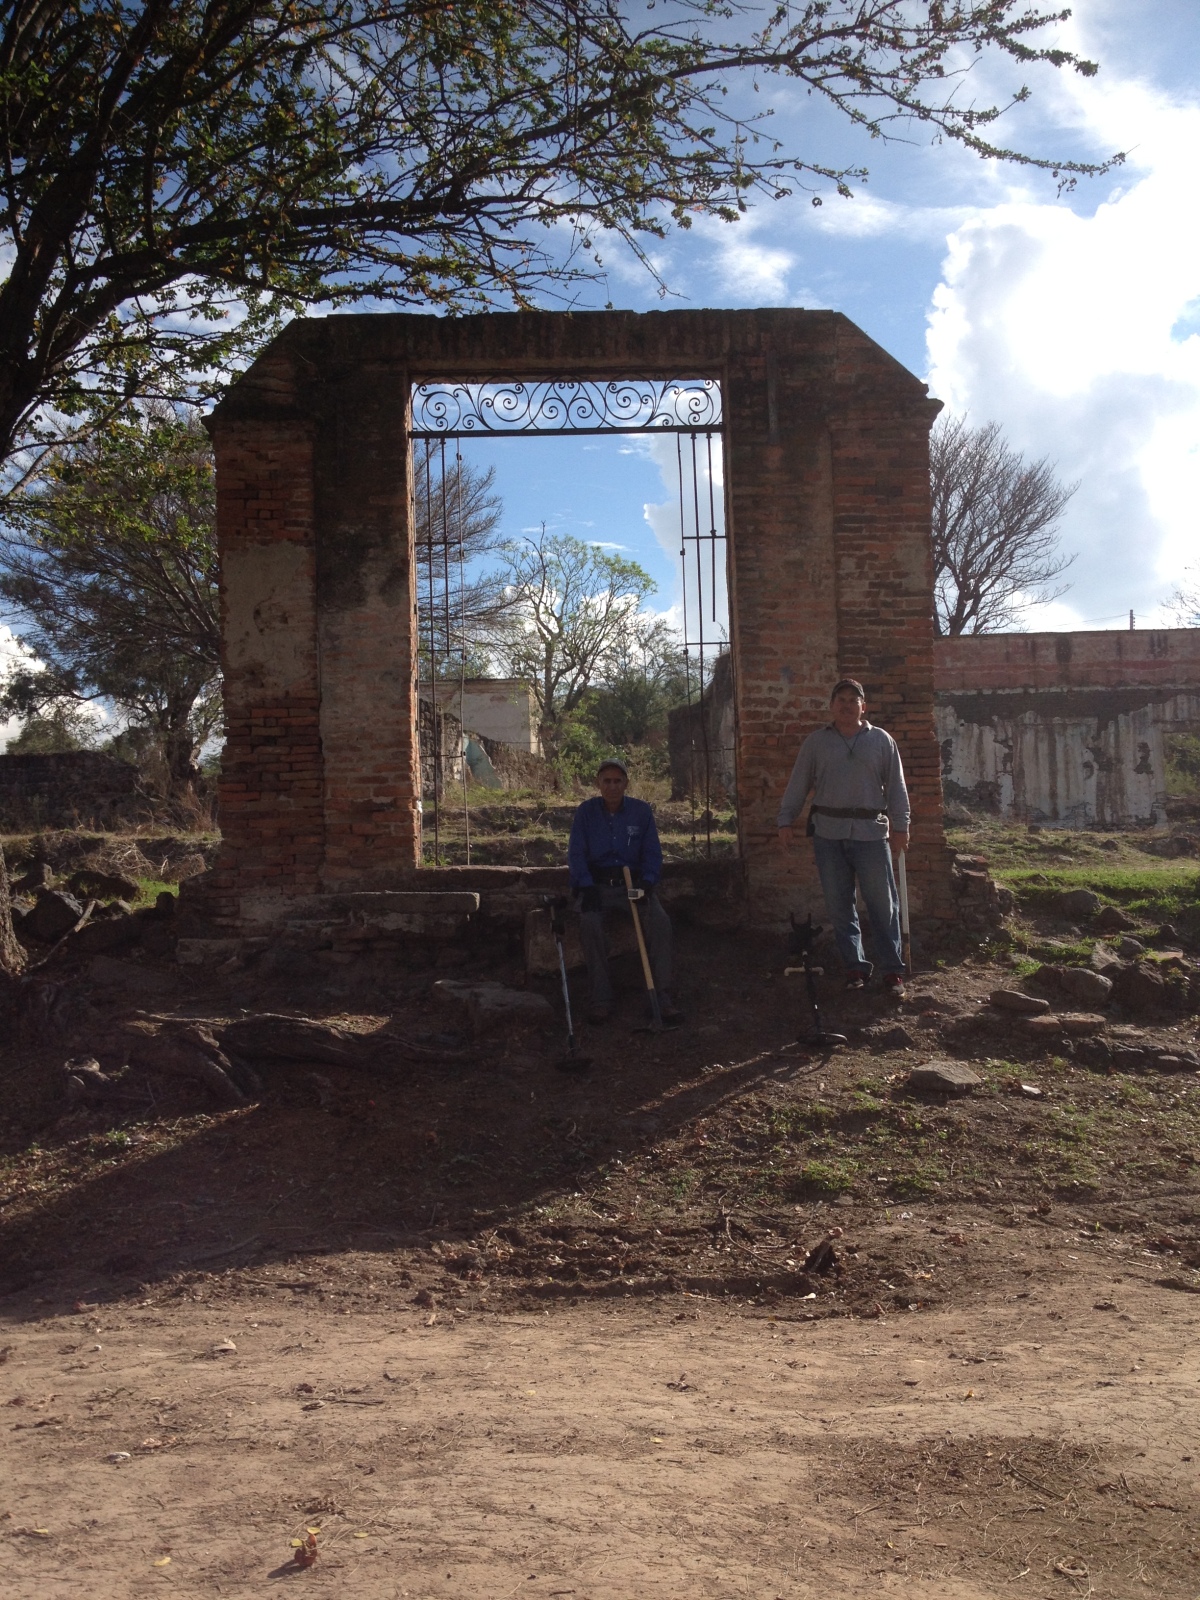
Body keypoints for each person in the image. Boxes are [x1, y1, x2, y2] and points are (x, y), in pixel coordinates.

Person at [776, 678, 910, 997]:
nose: (847, 705)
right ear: (832, 705)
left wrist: (901, 826)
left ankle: (892, 971)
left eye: (854, 700)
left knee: (883, 904)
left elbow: (896, 787)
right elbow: (798, 783)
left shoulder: (881, 741)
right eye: (841, 699)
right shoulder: (816, 743)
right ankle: (855, 967)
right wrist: (785, 819)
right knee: (839, 905)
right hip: (828, 834)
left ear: (864, 707)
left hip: (871, 834)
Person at [567, 758, 682, 1026]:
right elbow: (576, 853)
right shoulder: (586, 812)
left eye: (618, 781)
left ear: (626, 783)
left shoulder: (641, 812)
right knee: (589, 924)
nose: (612, 786)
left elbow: (653, 852)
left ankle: (660, 996)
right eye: (606, 781)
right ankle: (601, 999)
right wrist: (585, 885)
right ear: (598, 784)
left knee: (660, 923)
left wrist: (647, 882)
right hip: (597, 887)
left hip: (632, 886)